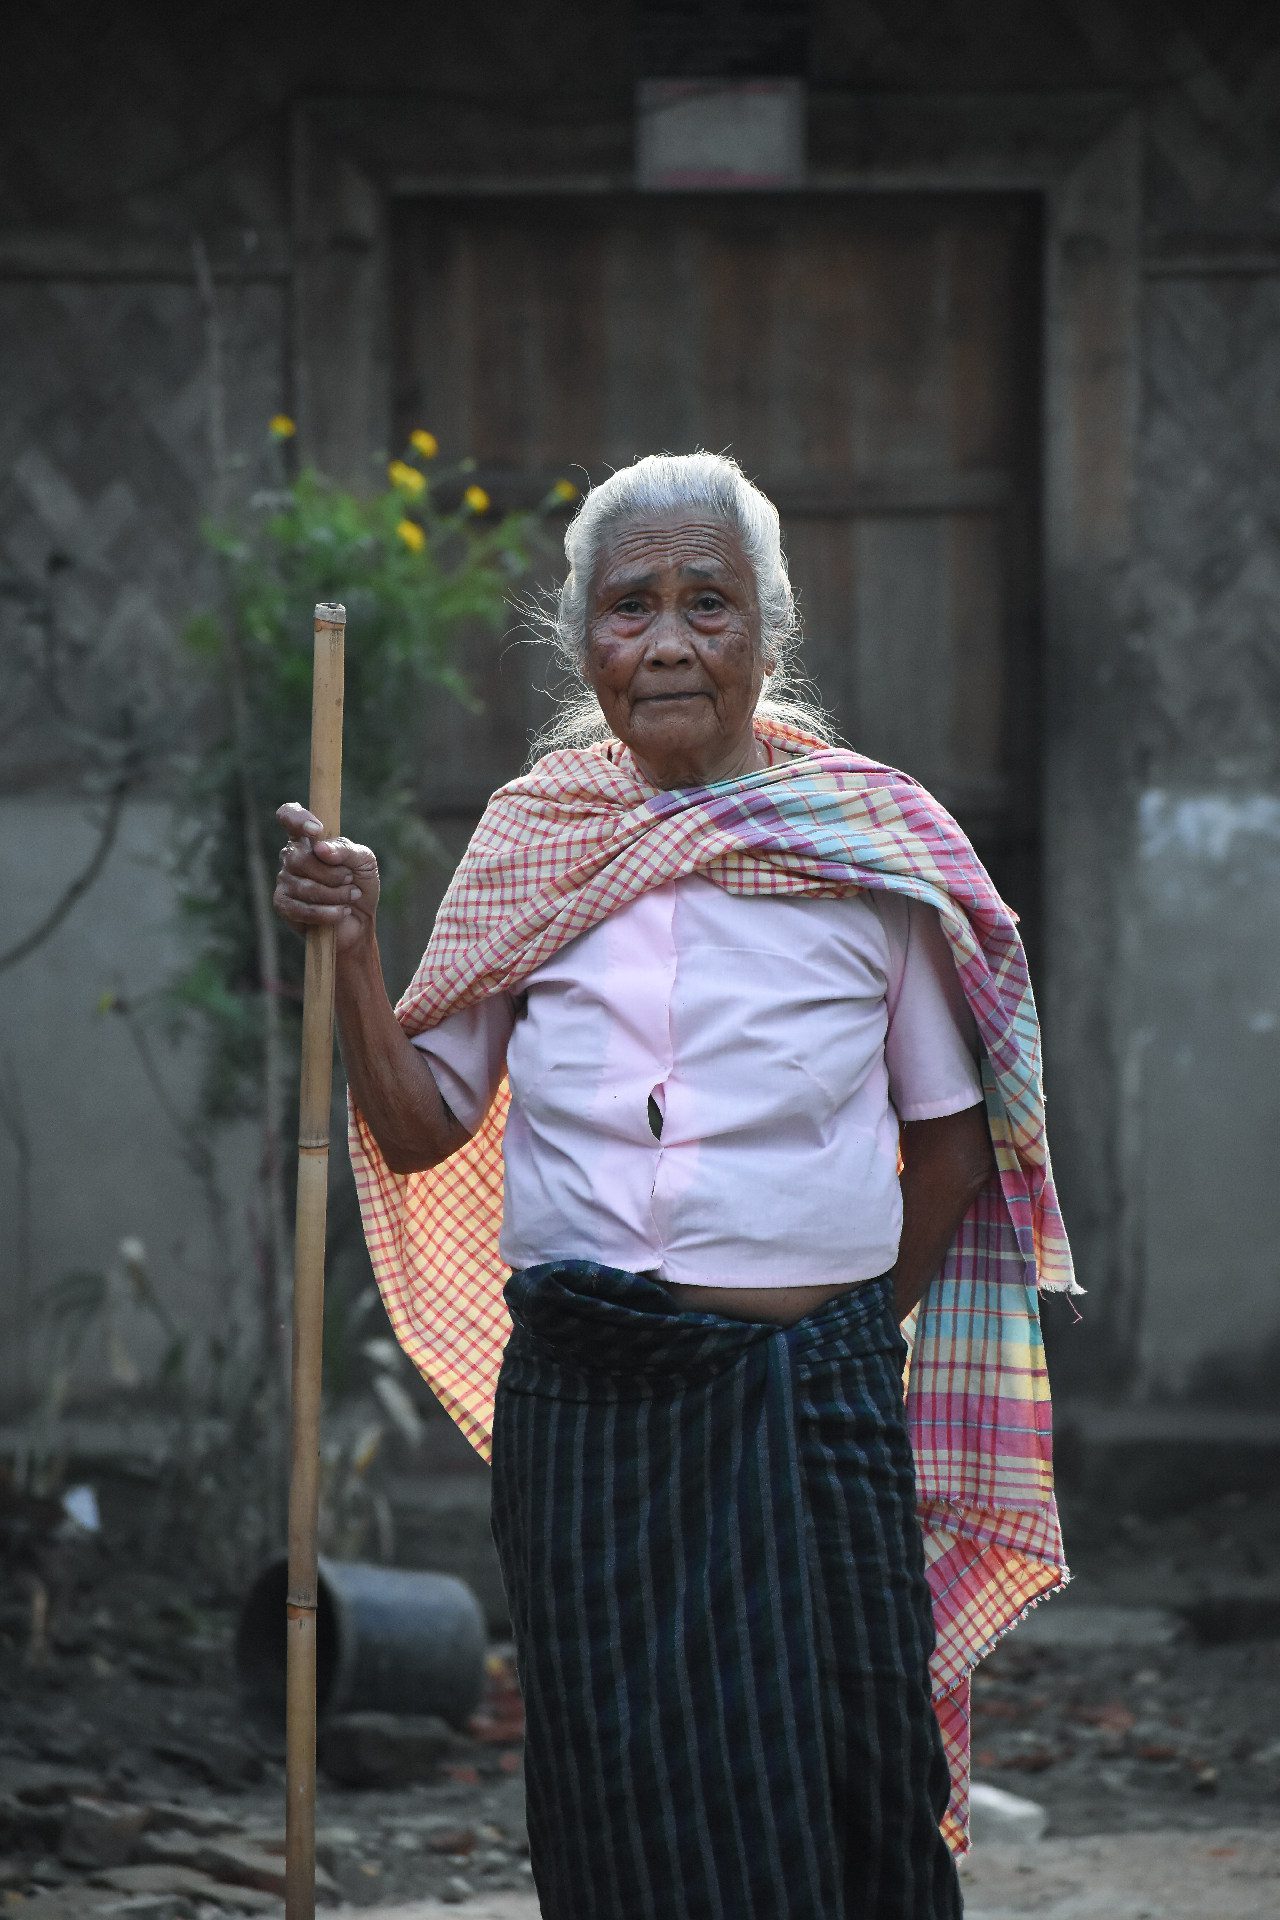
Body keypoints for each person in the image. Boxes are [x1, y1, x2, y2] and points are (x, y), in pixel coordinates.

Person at [273, 451, 1076, 1920]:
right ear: (581, 641)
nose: (665, 642)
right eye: (629, 606)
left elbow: (953, 1142)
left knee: (856, 1780)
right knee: (621, 1788)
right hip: (590, 1405)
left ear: (768, 629)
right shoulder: (534, 842)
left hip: (811, 1400)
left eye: (707, 603)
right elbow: (416, 1124)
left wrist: (835, 1321)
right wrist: (355, 950)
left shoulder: (865, 850)